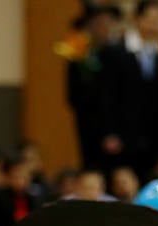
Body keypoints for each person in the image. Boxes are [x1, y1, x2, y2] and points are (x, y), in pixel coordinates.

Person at [99, 0, 158, 174]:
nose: (156, 24)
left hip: (149, 137)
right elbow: (107, 95)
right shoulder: (115, 51)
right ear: (138, 19)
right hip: (122, 135)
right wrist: (110, 132)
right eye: (151, 18)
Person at [65, 3, 121, 169]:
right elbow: (73, 93)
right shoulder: (79, 55)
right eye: (98, 24)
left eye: (107, 23)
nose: (103, 28)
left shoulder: (119, 55)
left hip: (116, 129)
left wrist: (114, 131)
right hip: (88, 126)